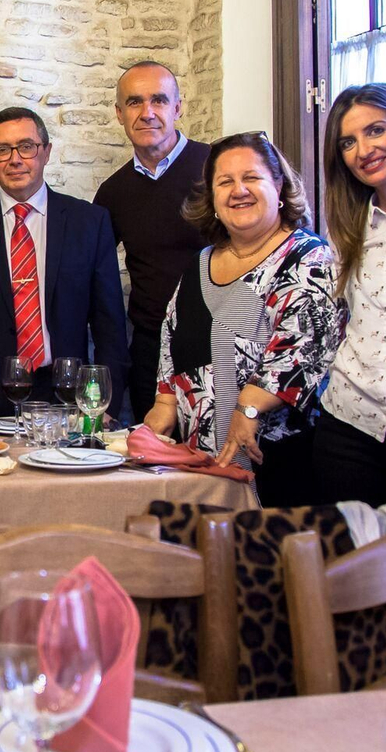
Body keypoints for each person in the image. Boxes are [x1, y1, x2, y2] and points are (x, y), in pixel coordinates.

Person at [145, 132, 340, 506]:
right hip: (202, 469)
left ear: (278, 185)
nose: (239, 191)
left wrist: (249, 405)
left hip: (277, 467)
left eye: (251, 178)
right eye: (225, 182)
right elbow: (170, 340)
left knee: (273, 562)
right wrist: (165, 405)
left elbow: (303, 350)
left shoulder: (307, 259)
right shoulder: (200, 264)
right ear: (214, 199)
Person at [0, 106, 129, 415]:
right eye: (2, 150)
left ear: (46, 152)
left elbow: (109, 325)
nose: (15, 159)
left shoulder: (89, 222)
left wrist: (107, 401)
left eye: (26, 147)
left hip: (68, 393)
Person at [312, 85, 386, 507]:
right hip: (348, 422)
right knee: (348, 564)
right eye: (348, 142)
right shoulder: (347, 230)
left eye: (376, 131)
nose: (364, 150)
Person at [93, 61, 211, 422]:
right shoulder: (113, 193)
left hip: (216, 346)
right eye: (134, 102)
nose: (147, 113)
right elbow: (91, 277)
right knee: (155, 467)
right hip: (150, 353)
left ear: (177, 108)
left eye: (159, 101)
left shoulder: (216, 169)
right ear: (119, 113)